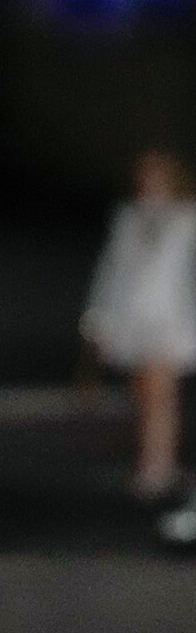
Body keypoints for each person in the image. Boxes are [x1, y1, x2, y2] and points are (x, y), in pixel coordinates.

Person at [81, 148, 196, 505]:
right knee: (145, 395)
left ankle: (157, 467)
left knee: (160, 391)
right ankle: (153, 462)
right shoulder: (127, 217)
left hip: (170, 318)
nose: (148, 181)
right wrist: (97, 318)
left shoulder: (186, 217)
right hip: (131, 317)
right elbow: (111, 271)